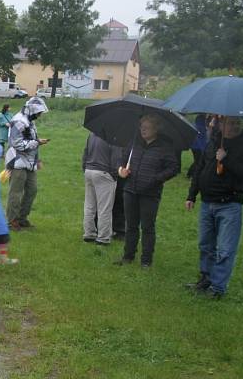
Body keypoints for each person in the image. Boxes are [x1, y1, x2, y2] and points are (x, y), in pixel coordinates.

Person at [185, 116, 243, 298]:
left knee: (225, 249)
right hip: (207, 202)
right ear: (220, 124)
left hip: (229, 204)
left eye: (237, 123)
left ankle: (218, 288)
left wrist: (226, 160)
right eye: (229, 123)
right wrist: (192, 195)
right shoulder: (212, 143)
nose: (234, 126)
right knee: (205, 245)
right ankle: (206, 279)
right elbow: (199, 169)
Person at [115, 114, 179, 267]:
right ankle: (128, 256)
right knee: (130, 225)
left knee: (147, 227)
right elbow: (121, 159)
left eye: (146, 128)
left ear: (156, 129)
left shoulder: (165, 146)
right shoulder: (134, 142)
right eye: (141, 127)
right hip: (130, 189)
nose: (142, 130)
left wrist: (156, 179)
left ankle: (146, 261)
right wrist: (121, 170)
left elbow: (173, 168)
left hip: (150, 193)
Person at [5, 96, 49, 231]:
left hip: (29, 162)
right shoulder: (18, 121)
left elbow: (31, 139)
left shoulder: (29, 121)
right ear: (32, 110)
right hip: (17, 162)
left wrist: (37, 159)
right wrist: (37, 142)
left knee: (32, 190)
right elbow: (16, 143)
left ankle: (22, 218)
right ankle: (12, 221)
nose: (40, 115)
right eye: (39, 112)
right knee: (16, 193)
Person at [82, 132, 124, 245]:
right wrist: (115, 175)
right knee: (104, 208)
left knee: (89, 206)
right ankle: (103, 238)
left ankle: (89, 234)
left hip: (89, 170)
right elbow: (117, 158)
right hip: (104, 173)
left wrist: (85, 168)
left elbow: (85, 153)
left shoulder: (91, 134)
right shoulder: (115, 136)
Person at [186, 113, 208, 178]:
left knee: (197, 161)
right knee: (198, 161)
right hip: (198, 147)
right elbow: (200, 139)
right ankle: (191, 174)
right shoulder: (200, 127)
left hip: (195, 146)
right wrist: (202, 148)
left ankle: (190, 174)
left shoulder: (196, 126)